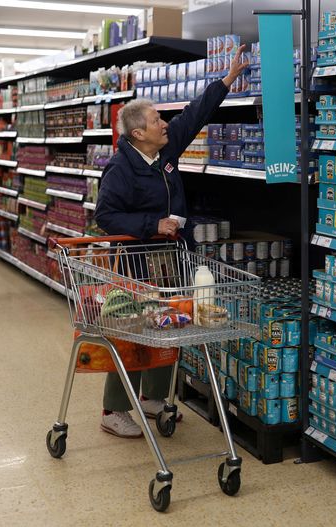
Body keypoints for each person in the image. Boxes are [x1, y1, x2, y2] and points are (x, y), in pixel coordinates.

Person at [94, 45, 250, 438]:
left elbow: (194, 114)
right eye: (156, 119)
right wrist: (153, 224)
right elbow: (105, 217)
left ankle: (152, 396)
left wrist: (227, 79)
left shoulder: (165, 150)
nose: (164, 123)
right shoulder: (120, 168)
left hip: (170, 258)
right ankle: (113, 408)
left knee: (170, 323)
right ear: (137, 133)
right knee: (132, 327)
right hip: (135, 260)